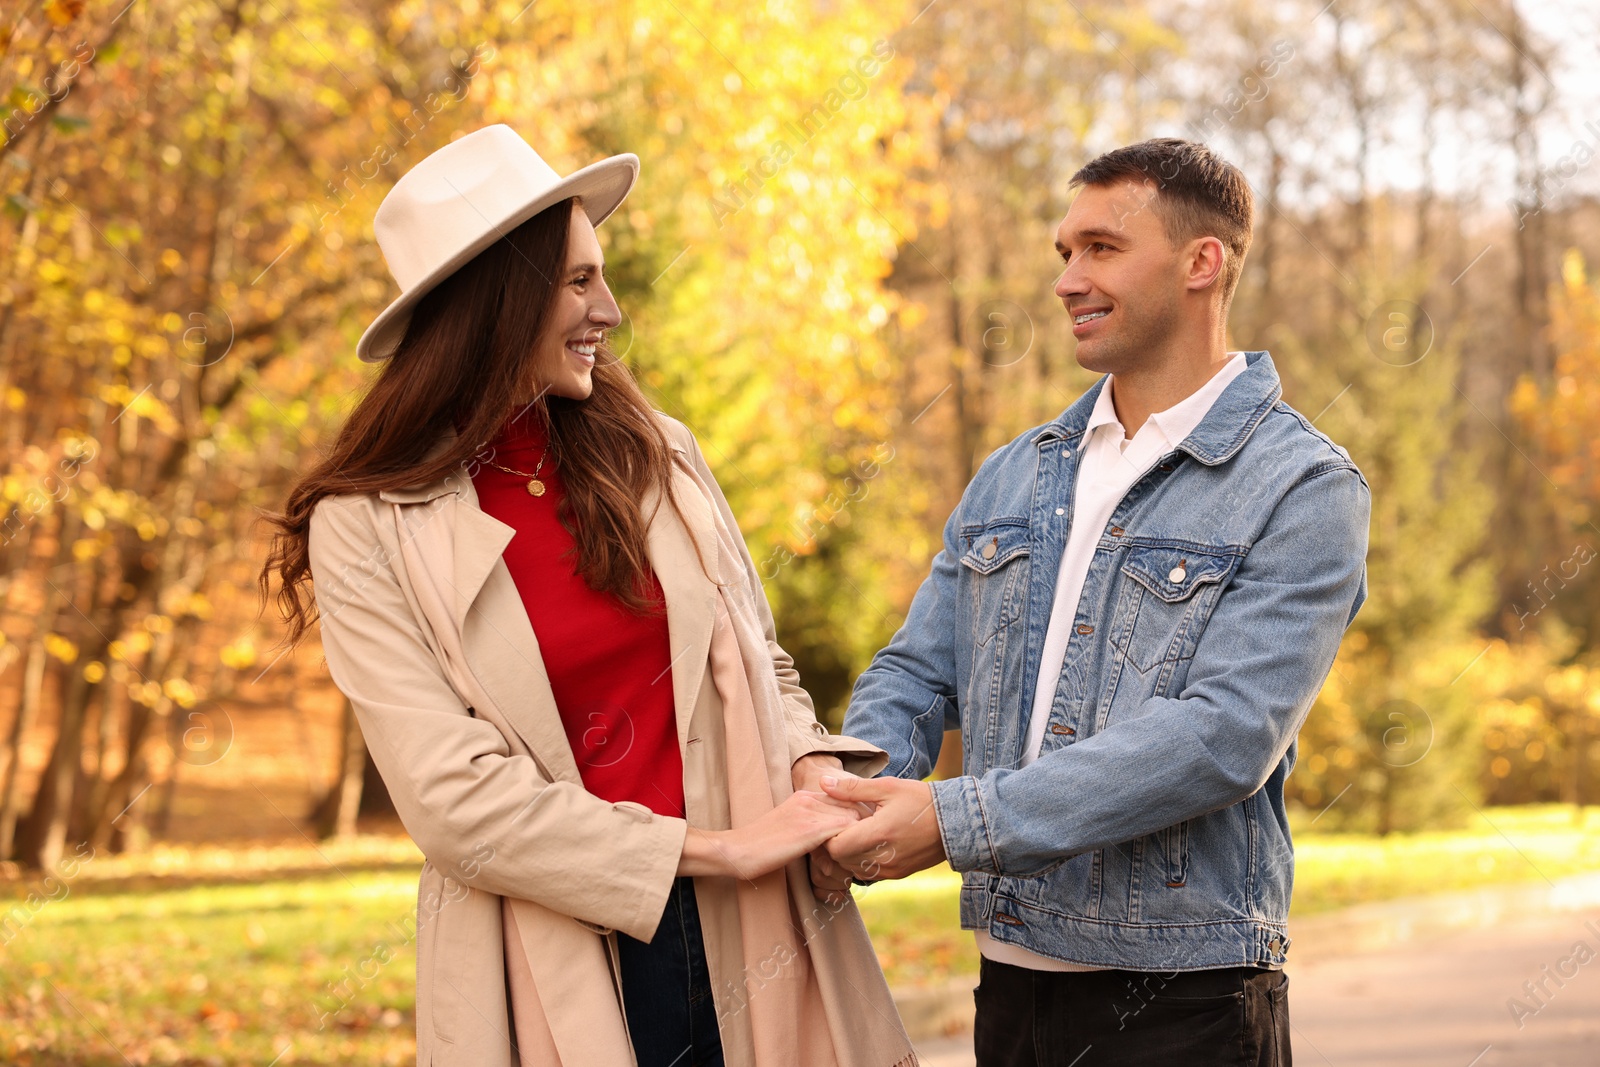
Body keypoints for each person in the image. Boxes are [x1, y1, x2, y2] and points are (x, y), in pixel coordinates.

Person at [259, 124, 917, 1067]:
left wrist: (809, 764)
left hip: (756, 919)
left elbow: (756, 654)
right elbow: (454, 804)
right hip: (548, 943)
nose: (609, 308)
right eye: (577, 282)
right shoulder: (367, 526)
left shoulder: (660, 450)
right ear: (493, 300)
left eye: (600, 277)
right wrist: (707, 848)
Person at [810, 138, 1371, 1065]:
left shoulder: (1302, 486)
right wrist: (855, 796)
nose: (1068, 278)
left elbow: (1223, 736)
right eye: (1064, 252)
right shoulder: (1017, 470)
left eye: (1101, 248)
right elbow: (916, 668)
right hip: (1010, 989)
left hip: (1181, 1002)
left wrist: (955, 821)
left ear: (1203, 262)